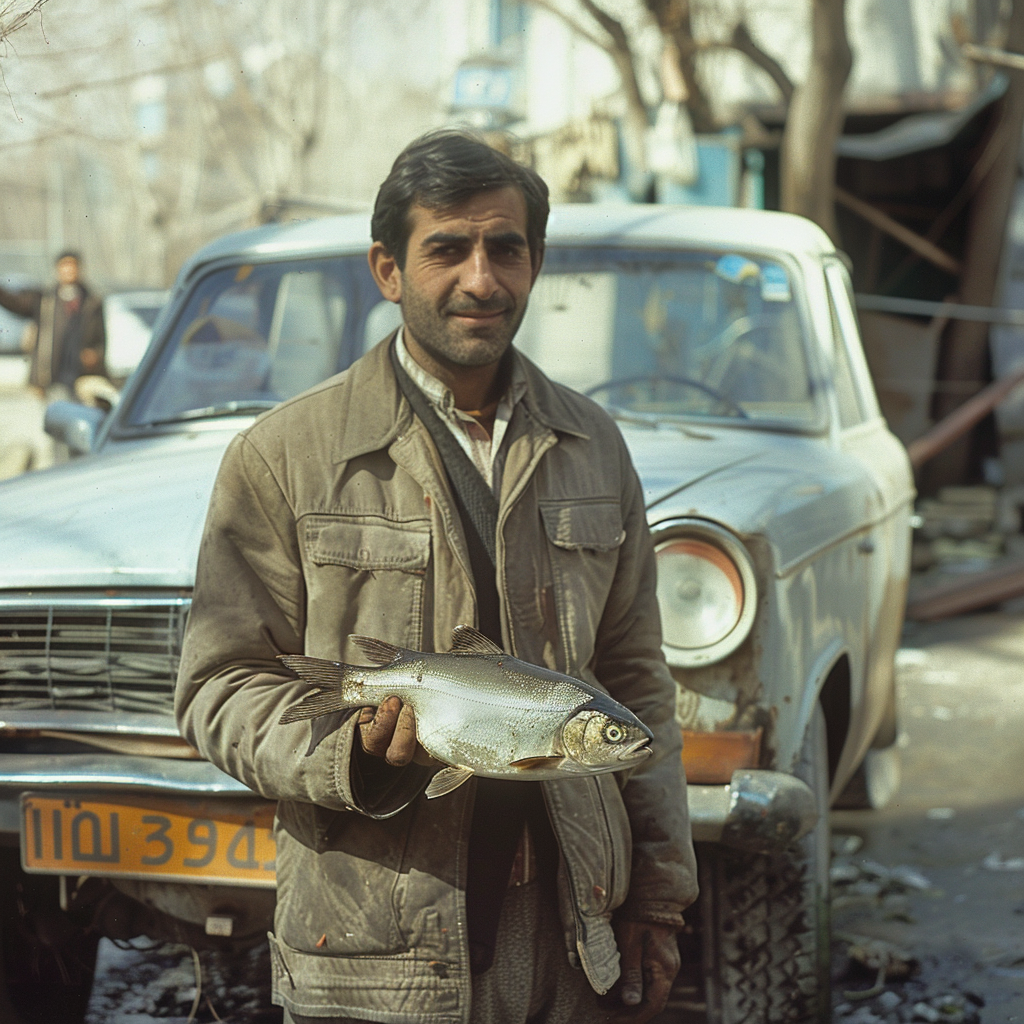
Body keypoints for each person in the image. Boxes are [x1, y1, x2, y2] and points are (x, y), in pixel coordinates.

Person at [175, 129, 698, 1024]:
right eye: (447, 249)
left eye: (507, 248)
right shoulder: (286, 457)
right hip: (374, 957)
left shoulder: (592, 448)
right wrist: (350, 756)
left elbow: (638, 685)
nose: (482, 279)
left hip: (576, 944)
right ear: (388, 269)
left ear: (535, 262)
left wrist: (655, 895)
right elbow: (218, 688)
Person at [0, 250, 106, 397]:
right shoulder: (45, 299)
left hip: (82, 377)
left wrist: (95, 355)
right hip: (51, 376)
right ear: (58, 269)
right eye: (64, 265)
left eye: (72, 265)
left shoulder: (92, 301)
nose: (69, 270)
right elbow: (16, 303)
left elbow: (101, 338)